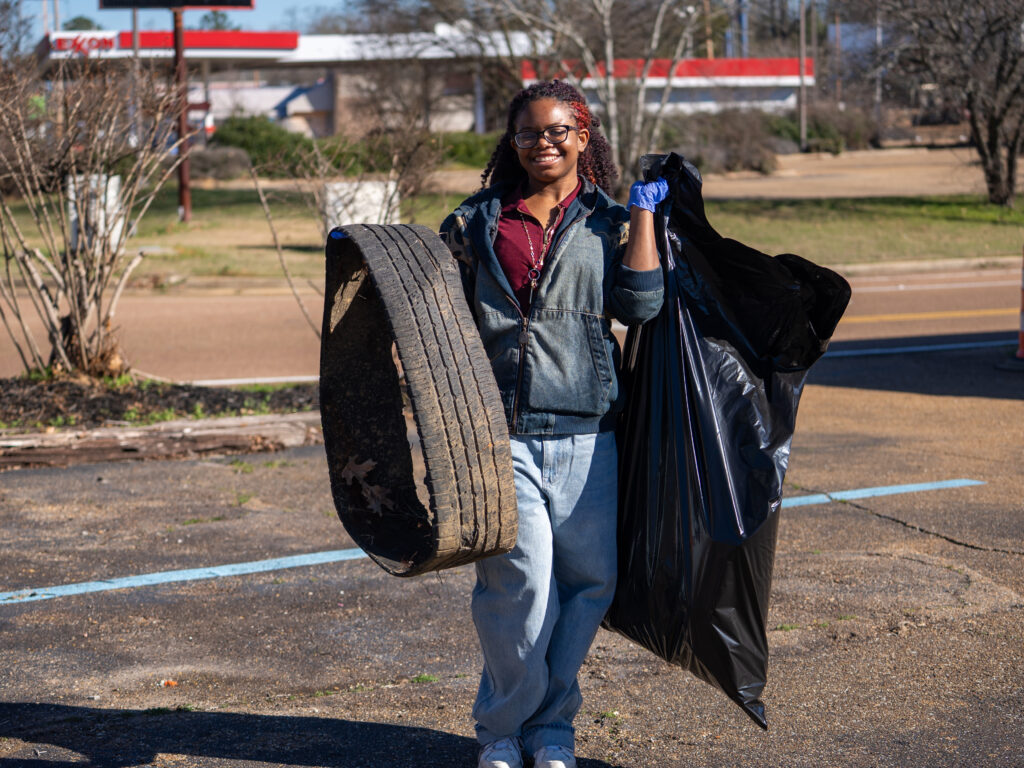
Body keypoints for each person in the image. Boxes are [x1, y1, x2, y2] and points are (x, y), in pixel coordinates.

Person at [439, 80, 667, 768]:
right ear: (512, 144)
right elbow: (434, 319)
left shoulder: (608, 220)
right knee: (521, 586)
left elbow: (642, 307)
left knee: (588, 585)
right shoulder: (478, 220)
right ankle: (503, 732)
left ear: (583, 136)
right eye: (530, 133)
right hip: (500, 430)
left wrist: (643, 218)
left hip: (589, 430)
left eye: (558, 130)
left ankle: (550, 730)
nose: (544, 142)